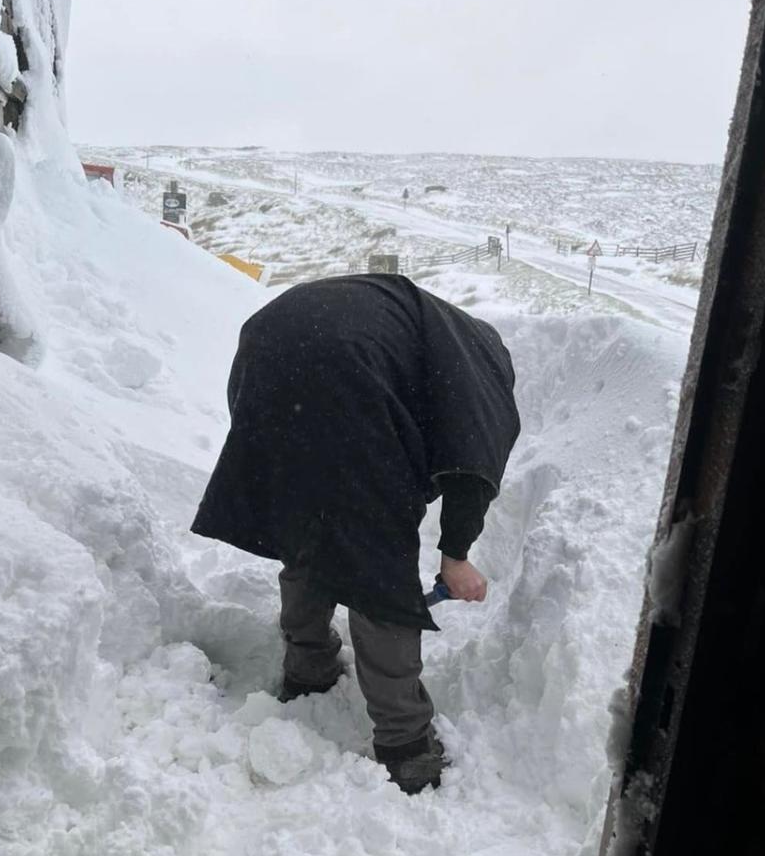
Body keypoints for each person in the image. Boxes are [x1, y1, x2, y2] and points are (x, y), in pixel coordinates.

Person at [191, 274, 520, 793]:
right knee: (375, 565)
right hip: (343, 367)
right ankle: (406, 746)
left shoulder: (431, 339)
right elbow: (471, 473)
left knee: (309, 519)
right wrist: (455, 557)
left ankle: (307, 667)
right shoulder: (480, 381)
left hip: (268, 344)